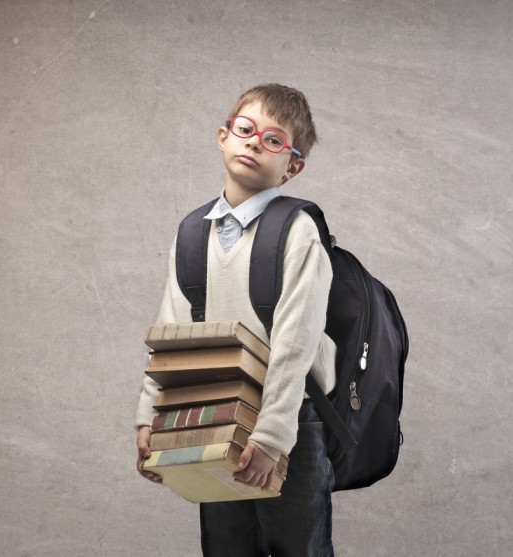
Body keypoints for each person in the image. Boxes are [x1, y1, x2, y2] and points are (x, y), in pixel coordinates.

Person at [134, 83, 337, 556]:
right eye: (245, 129)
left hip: (289, 421)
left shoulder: (298, 231)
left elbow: (295, 343)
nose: (253, 142)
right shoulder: (191, 234)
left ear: (293, 166)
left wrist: (271, 438)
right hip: (216, 411)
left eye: (273, 140)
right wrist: (151, 417)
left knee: (298, 547)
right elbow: (173, 338)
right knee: (226, 547)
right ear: (223, 135)